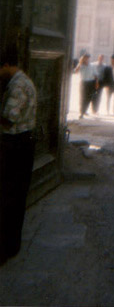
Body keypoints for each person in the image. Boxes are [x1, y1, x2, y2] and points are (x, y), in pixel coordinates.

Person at [0, 46, 37, 265]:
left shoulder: (18, 86)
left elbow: (9, 119)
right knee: (14, 197)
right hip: (22, 144)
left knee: (8, 197)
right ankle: (11, 246)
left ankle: (5, 249)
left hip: (16, 146)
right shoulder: (20, 81)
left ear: (6, 66)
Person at [74, 53, 97, 119]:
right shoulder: (80, 65)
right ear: (83, 58)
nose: (86, 59)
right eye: (85, 58)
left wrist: (96, 83)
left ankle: (84, 110)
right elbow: (76, 72)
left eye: (87, 58)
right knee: (82, 97)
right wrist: (80, 64)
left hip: (91, 82)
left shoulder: (92, 65)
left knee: (89, 98)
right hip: (83, 83)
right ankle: (81, 112)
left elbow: (95, 75)